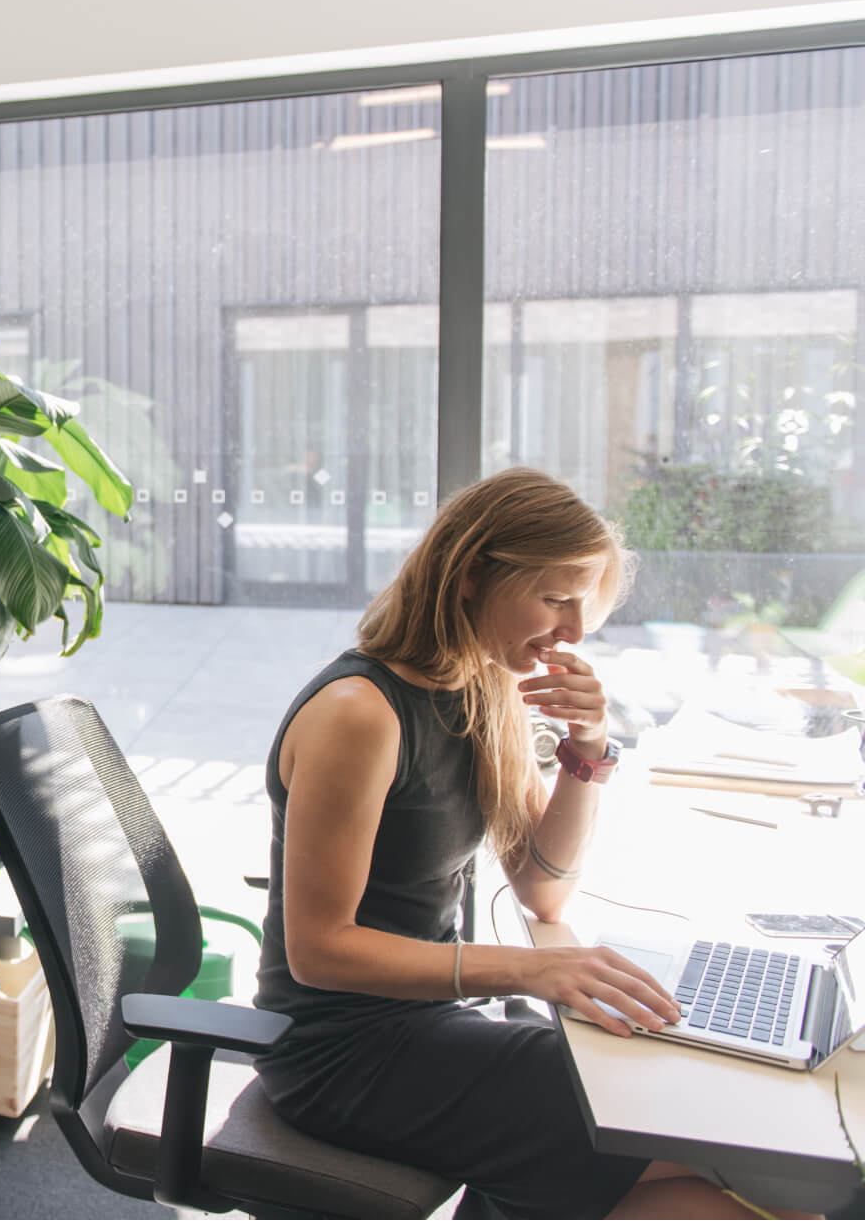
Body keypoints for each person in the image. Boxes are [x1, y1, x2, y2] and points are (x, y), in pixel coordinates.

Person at [253, 468, 810, 1220]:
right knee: (696, 1147)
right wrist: (530, 968)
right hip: (339, 1051)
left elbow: (544, 888)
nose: (576, 631)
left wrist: (588, 747)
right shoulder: (361, 713)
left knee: (704, 1150)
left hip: (426, 1021)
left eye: (586, 604)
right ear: (473, 574)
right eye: (557, 598)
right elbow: (319, 951)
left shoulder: (483, 688)